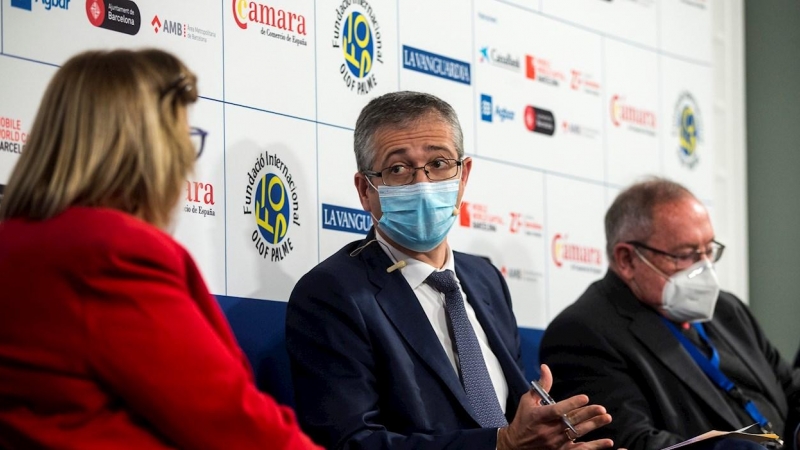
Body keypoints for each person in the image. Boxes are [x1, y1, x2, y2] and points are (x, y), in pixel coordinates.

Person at [0, 49, 320, 449]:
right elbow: (229, 421)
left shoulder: (17, 245)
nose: (187, 159)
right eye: (184, 138)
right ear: (149, 149)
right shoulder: (112, 252)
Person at [286, 91, 614, 450]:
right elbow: (351, 443)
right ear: (366, 190)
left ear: (464, 175)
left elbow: (517, 427)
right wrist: (500, 445)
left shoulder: (485, 279)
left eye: (439, 163)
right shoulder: (333, 294)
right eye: (398, 169)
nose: (423, 184)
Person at [540, 177, 800, 450]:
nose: (705, 268)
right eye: (686, 255)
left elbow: (790, 388)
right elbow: (631, 441)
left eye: (709, 250)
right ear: (627, 260)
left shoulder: (728, 309)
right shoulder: (583, 333)